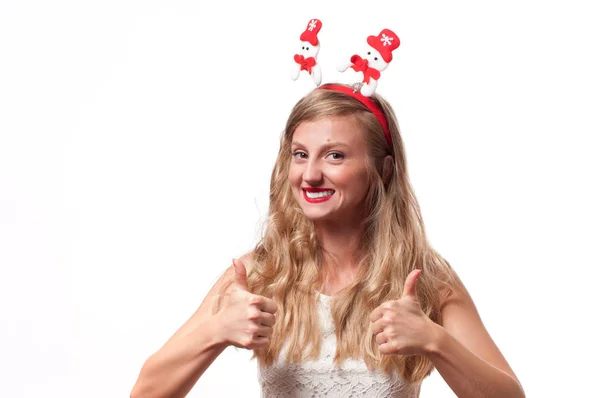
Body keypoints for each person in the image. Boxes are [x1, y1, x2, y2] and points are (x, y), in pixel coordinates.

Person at [130, 81, 526, 397]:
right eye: (300, 154)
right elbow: (146, 392)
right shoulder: (259, 272)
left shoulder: (425, 279)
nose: (310, 175)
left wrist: (435, 341)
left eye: (334, 156)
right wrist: (214, 332)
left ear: (383, 170)